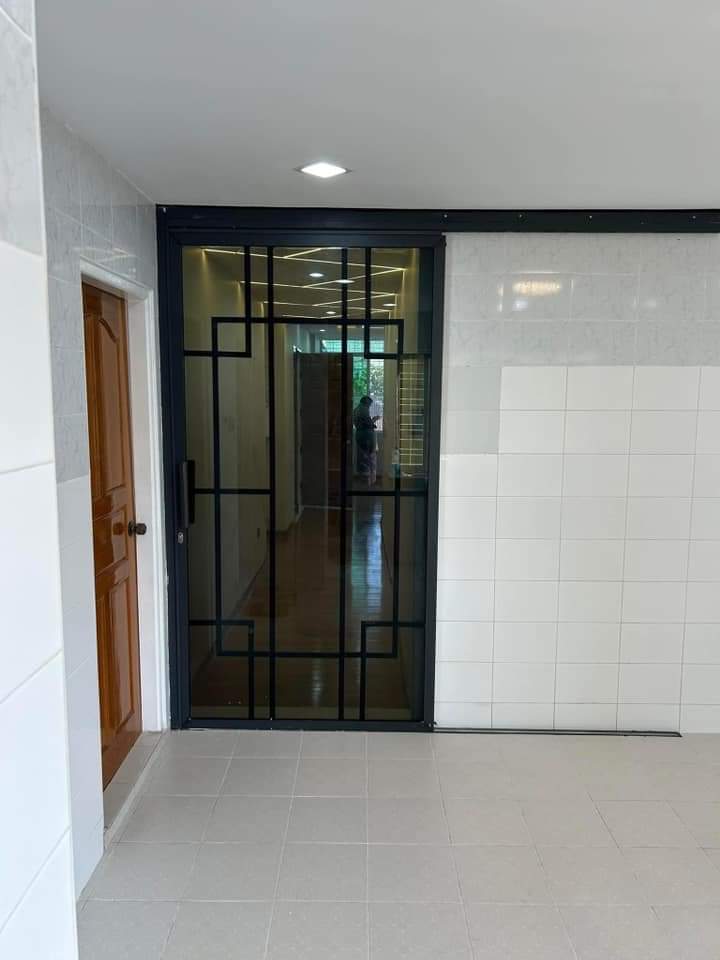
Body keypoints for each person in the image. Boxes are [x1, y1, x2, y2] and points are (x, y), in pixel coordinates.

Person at [352, 395, 379, 487]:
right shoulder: (363, 409)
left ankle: (362, 479)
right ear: (366, 402)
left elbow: (362, 422)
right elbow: (368, 423)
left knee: (362, 457)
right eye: (369, 404)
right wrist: (374, 421)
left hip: (360, 435)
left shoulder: (356, 409)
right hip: (366, 435)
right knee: (369, 457)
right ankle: (369, 481)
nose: (369, 406)